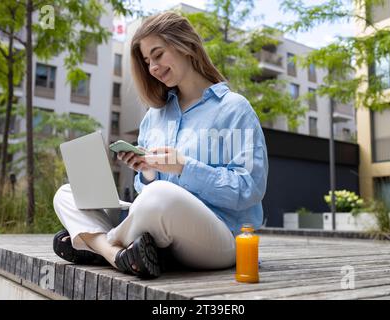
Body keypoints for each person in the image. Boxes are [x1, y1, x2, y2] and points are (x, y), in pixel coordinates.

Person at [52, 12, 268, 279]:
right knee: (67, 193)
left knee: (161, 196)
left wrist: (183, 166)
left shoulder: (233, 108)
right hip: (159, 230)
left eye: (158, 55)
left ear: (187, 46)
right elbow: (147, 196)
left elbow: (250, 188)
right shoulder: (154, 116)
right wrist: (148, 173)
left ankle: (93, 243)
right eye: (147, 61)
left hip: (220, 238)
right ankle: (116, 254)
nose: (152, 67)